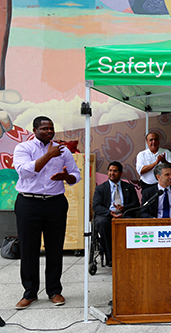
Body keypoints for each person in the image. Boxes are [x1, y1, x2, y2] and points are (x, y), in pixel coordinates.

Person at [13, 116, 81, 310]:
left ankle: (54, 291)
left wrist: (67, 176)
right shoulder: (23, 149)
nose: (49, 131)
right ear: (34, 130)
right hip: (28, 203)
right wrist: (49, 155)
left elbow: (76, 175)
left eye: (51, 128)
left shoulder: (63, 150)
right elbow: (24, 172)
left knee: (54, 248)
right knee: (29, 249)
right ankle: (30, 293)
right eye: (44, 129)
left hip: (55, 203)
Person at [92, 161, 140, 267]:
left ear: (120, 173)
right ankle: (110, 258)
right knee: (102, 223)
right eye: (110, 171)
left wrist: (124, 208)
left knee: (131, 223)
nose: (112, 173)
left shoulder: (129, 187)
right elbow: (96, 206)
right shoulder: (100, 188)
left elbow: (136, 203)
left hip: (125, 214)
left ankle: (128, 256)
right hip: (107, 216)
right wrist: (110, 212)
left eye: (115, 171)